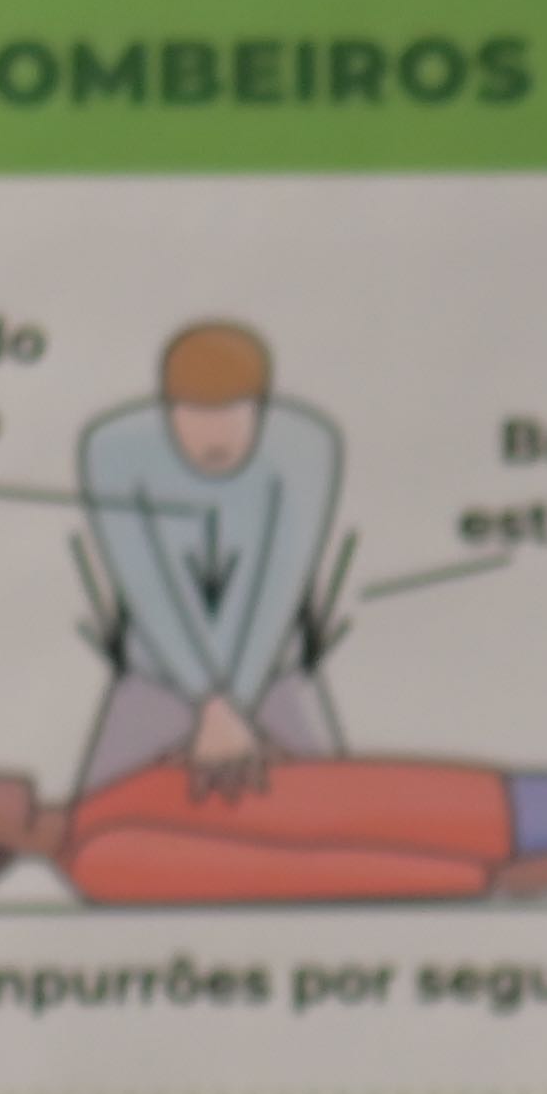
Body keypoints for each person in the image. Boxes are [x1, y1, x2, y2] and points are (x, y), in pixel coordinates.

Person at [77, 321, 348, 796]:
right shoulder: (112, 449)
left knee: (336, 817)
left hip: (272, 672)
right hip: (158, 675)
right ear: (168, 410)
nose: (215, 435)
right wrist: (211, 705)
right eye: (195, 415)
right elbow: (147, 585)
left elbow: (278, 586)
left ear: (261, 409)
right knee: (106, 816)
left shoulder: (307, 445)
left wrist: (232, 708)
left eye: (234, 414)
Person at [0, 760, 547, 909]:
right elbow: (300, 872)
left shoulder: (94, 814)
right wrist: (495, 878)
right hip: (490, 832)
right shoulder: (103, 861)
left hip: (461, 801)